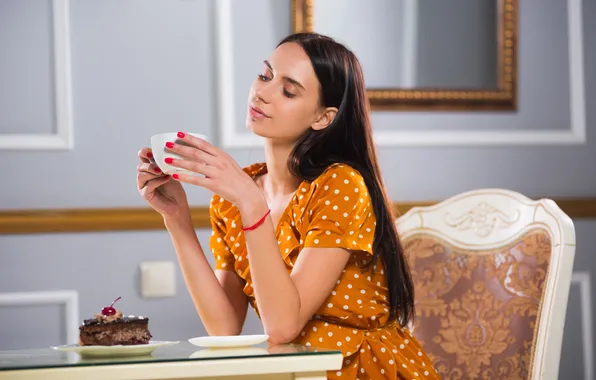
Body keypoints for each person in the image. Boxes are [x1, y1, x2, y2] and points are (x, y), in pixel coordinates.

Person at [137, 32, 439, 380]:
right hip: (293, 371)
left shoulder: (339, 186)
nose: (262, 92)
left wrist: (251, 204)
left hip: (358, 369)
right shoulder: (238, 194)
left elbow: (282, 327)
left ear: (323, 118)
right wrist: (176, 219)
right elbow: (224, 327)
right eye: (265, 75)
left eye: (289, 90)